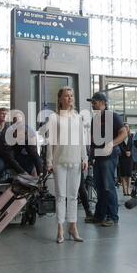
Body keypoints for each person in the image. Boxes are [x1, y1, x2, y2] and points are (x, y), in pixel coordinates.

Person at [46, 87, 87, 243]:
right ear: (60, 99)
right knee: (61, 196)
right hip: (59, 161)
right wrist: (49, 161)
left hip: (76, 160)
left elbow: (82, 140)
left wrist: (85, 158)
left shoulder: (78, 118)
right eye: (66, 96)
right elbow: (51, 142)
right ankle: (60, 229)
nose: (70, 98)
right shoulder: (54, 118)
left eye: (71, 96)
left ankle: (73, 227)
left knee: (73, 196)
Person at [85, 92, 127, 227]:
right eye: (92, 102)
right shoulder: (95, 119)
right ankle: (99, 215)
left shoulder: (112, 116)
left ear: (103, 103)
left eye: (95, 102)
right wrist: (90, 156)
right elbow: (92, 140)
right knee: (99, 187)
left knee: (108, 186)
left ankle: (112, 216)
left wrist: (112, 143)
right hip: (98, 156)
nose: (93, 105)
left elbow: (123, 133)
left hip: (109, 156)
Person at [119, 123, 133, 196]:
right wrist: (125, 152)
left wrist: (130, 152)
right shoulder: (120, 136)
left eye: (127, 127)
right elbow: (120, 146)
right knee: (123, 174)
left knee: (129, 174)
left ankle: (128, 189)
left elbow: (133, 146)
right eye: (125, 127)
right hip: (122, 157)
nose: (126, 128)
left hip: (130, 157)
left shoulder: (131, 136)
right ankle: (124, 190)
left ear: (129, 128)